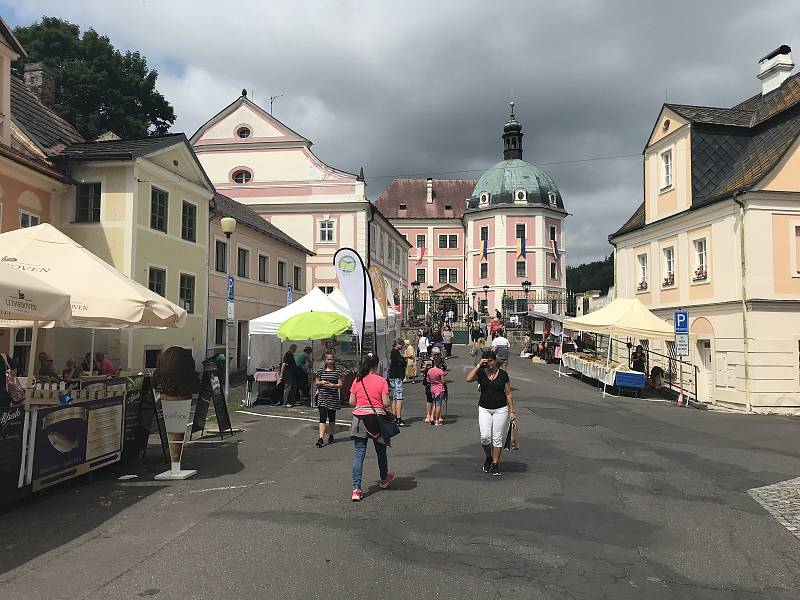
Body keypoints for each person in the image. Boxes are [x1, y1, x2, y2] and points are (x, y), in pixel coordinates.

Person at [349, 354, 394, 501]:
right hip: (377, 419)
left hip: (360, 419)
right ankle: (383, 478)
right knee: (381, 451)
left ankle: (356, 489)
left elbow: (351, 402)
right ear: (377, 365)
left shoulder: (357, 380)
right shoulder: (381, 381)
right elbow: (386, 403)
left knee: (359, 454)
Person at [466, 350, 515, 476]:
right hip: (484, 408)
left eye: (491, 360)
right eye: (486, 361)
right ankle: (488, 456)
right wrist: (478, 365)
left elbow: (508, 393)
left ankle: (495, 463)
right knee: (485, 436)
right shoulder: (481, 372)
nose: (489, 363)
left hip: (500, 409)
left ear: (495, 361)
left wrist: (512, 411)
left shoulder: (503, 374)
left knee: (497, 438)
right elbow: (468, 379)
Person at [314, 351, 343, 447]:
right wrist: (321, 382)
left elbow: (340, 384)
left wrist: (332, 385)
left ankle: (331, 434)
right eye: (328, 359)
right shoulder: (320, 371)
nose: (329, 361)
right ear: (325, 360)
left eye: (331, 359)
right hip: (322, 396)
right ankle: (321, 437)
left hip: (333, 397)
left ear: (334, 360)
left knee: (331, 417)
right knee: (322, 417)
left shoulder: (337, 371)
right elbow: (316, 382)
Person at [388, 339, 408, 427]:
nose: (402, 346)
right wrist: (403, 362)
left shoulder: (393, 352)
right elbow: (403, 361)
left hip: (392, 376)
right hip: (397, 377)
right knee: (398, 398)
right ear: (397, 344)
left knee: (394, 398)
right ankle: (398, 418)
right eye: (401, 344)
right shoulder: (395, 352)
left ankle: (394, 417)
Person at [427, 357, 446, 426]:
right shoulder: (440, 371)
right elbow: (443, 381)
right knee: (438, 405)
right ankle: (437, 420)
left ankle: (432, 417)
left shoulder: (430, 370)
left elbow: (428, 380)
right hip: (439, 388)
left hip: (432, 388)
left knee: (435, 402)